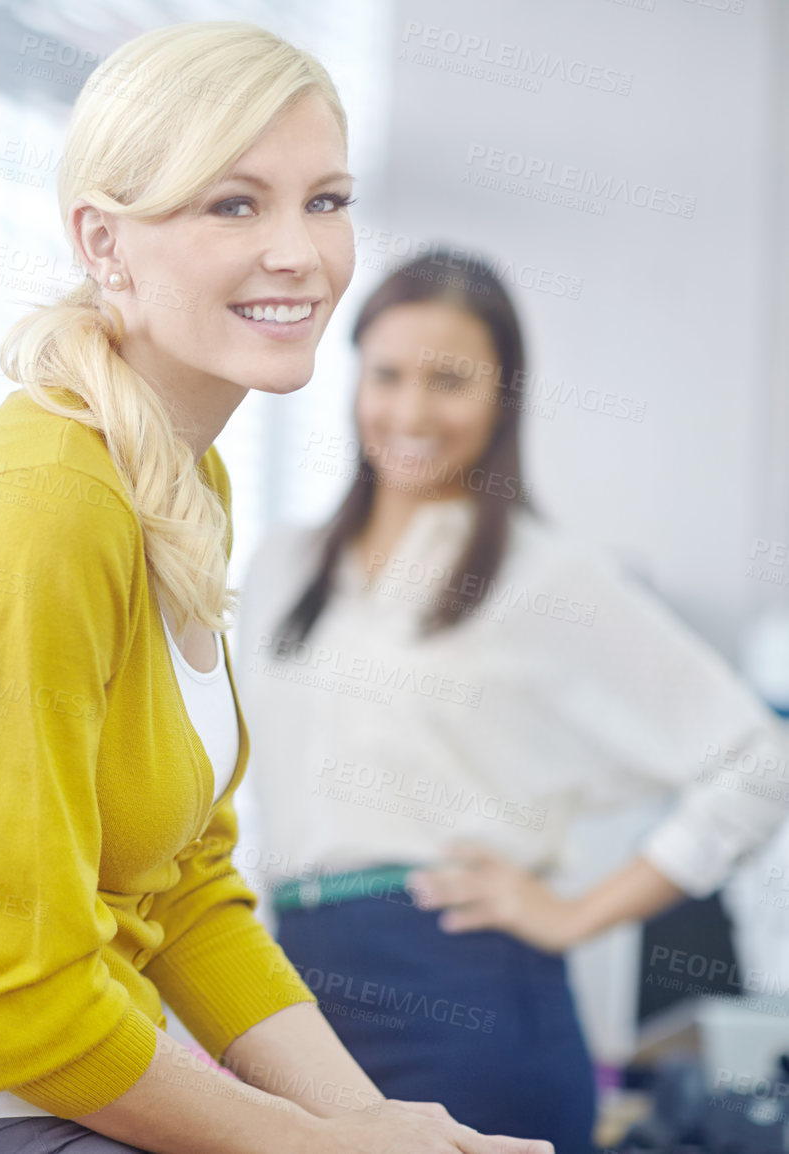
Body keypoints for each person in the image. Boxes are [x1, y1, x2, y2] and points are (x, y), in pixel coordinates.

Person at [0, 24, 547, 1154]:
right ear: (104, 242)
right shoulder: (43, 504)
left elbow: (189, 887)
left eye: (327, 200)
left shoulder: (178, 476)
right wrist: (315, 1144)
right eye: (233, 205)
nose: (299, 251)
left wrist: (382, 1126)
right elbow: (19, 1008)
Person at [238, 250, 789, 1153]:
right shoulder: (282, 564)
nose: (411, 412)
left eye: (449, 381)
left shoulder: (549, 579)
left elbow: (757, 760)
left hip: (468, 1007)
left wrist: (575, 913)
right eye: (388, 375)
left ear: (504, 397)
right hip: (296, 1002)